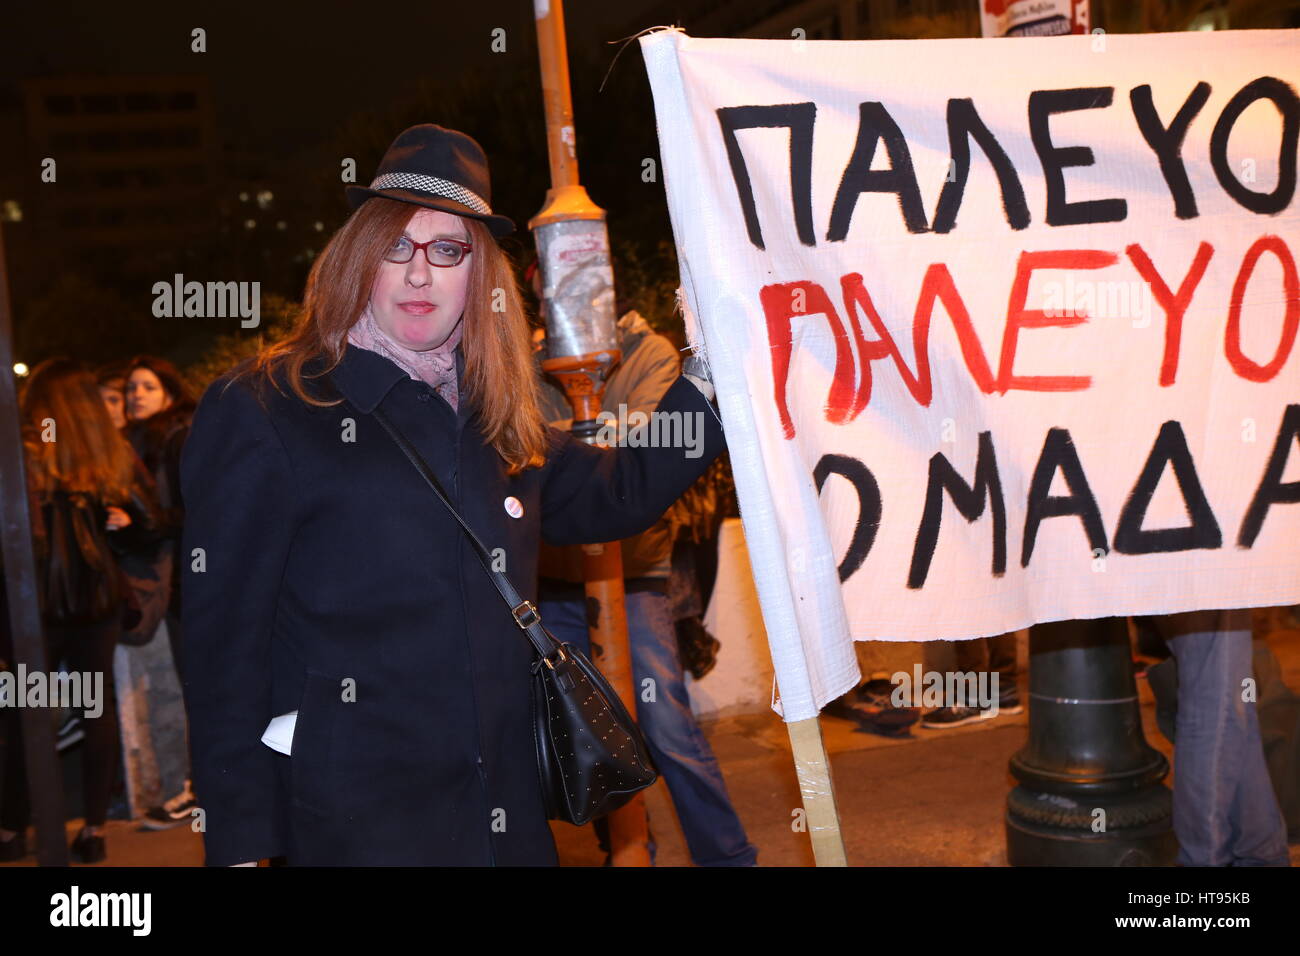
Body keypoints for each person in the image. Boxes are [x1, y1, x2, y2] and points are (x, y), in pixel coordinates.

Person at [179, 123, 724, 867]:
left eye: (448, 250)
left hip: (506, 815)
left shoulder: (495, 414)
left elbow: (615, 494)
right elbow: (222, 649)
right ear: (358, 258)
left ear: (481, 275)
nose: (418, 273)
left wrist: (711, 380)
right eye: (396, 246)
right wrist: (238, 842)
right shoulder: (269, 406)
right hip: (358, 825)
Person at [533, 288, 756, 866]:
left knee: (667, 728)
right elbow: (532, 456)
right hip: (553, 581)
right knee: (580, 731)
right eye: (547, 281)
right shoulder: (525, 358)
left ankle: (728, 857)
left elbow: (647, 453)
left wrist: (577, 438)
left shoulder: (649, 352)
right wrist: (592, 443)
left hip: (632, 574)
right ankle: (630, 849)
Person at [0, 358, 160, 863]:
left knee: (22, 712)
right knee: (98, 709)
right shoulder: (110, 450)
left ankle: (12, 827)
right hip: (96, 599)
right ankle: (93, 830)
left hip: (34, 606)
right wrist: (119, 523)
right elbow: (151, 520)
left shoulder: (24, 450)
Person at [122, 355, 198, 828]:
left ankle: (196, 791)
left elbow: (195, 511)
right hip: (167, 582)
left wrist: (140, 522)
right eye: (131, 388)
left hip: (186, 583)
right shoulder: (139, 441)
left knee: (188, 691)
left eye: (146, 387)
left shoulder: (177, 437)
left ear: (169, 392)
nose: (135, 396)